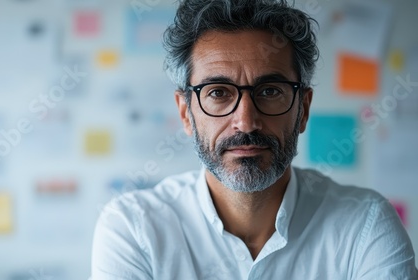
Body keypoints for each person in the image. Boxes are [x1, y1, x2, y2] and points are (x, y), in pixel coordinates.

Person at [91, 0, 418, 279]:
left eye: (270, 91)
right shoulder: (134, 227)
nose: (245, 121)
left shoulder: (365, 224)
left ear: (303, 109)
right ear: (185, 113)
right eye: (218, 93)